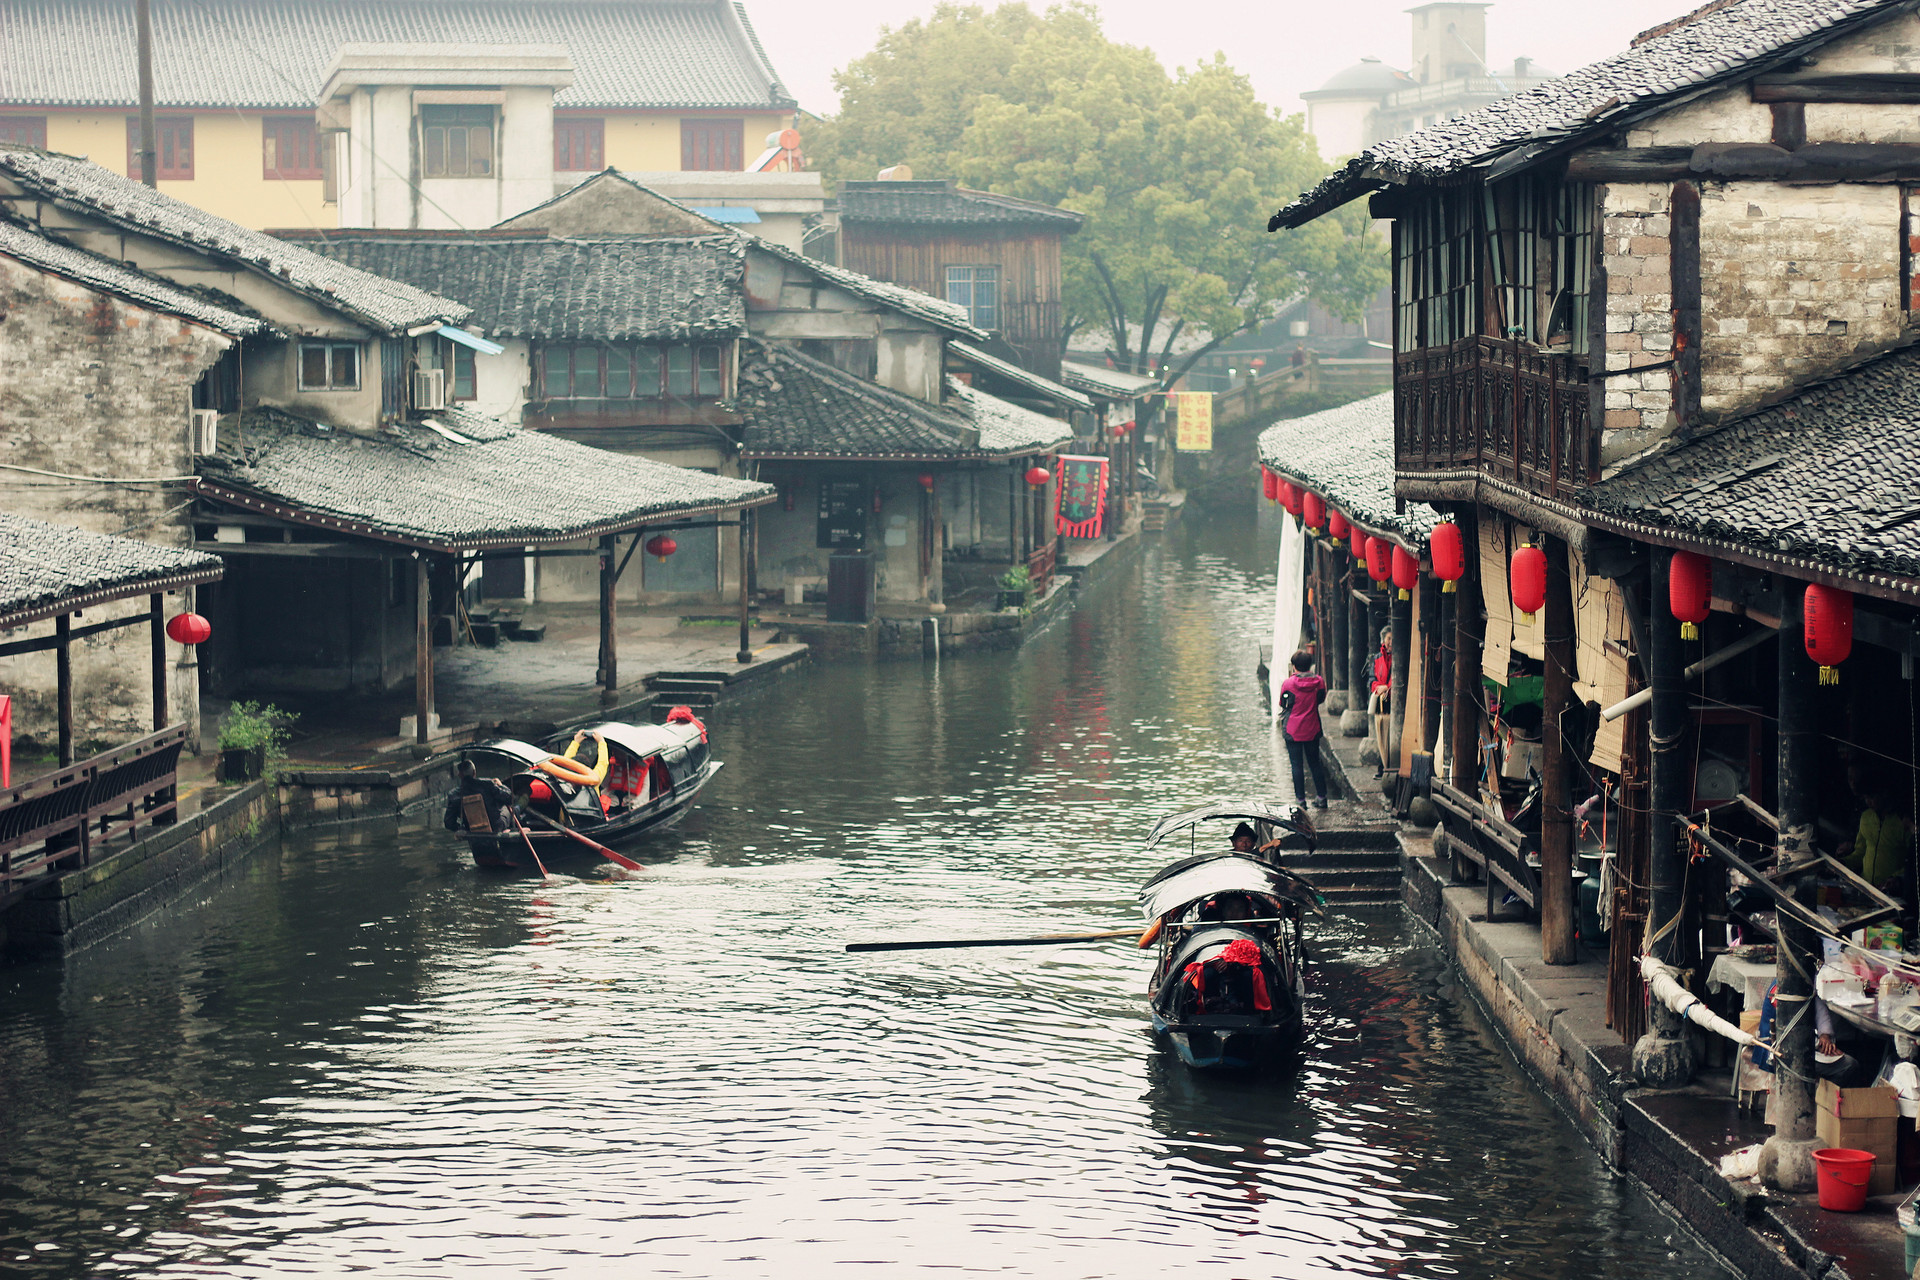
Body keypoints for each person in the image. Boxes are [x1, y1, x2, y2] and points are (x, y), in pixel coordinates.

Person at [1838, 777, 1911, 892]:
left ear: (1884, 794)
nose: (1868, 802)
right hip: (1864, 888)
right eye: (1866, 798)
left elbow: (1912, 863)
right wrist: (1844, 862)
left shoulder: (1903, 823)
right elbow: (1860, 852)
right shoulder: (1866, 817)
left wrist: (1896, 878)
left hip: (1889, 892)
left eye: (1871, 797)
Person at [1279, 649, 1330, 809]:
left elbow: (1283, 703)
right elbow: (1321, 699)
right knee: (1315, 763)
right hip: (1312, 727)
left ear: (1294, 666)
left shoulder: (1288, 683)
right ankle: (1322, 797)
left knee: (1296, 765)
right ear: (1309, 665)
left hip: (1293, 730)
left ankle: (1300, 801)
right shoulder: (1319, 682)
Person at [443, 759, 514, 834]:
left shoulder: (454, 794)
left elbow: (449, 822)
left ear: (459, 775)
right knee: (509, 809)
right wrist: (501, 785)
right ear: (474, 772)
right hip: (495, 828)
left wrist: (463, 829)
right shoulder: (488, 784)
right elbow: (509, 798)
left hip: (471, 831)